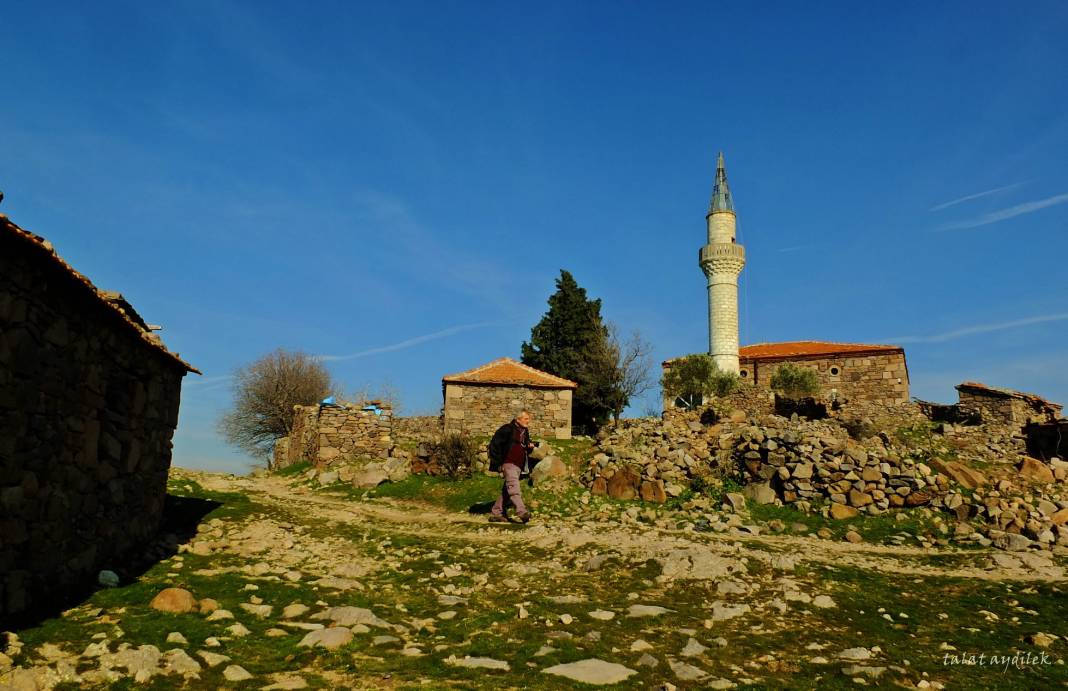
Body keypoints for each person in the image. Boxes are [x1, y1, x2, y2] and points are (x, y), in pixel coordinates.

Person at [488, 410, 536, 523]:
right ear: (518, 419)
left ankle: (496, 513)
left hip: (519, 466)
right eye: (526, 418)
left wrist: (530, 446)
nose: (528, 421)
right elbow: (494, 444)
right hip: (509, 463)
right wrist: (498, 463)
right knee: (514, 488)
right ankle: (522, 512)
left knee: (507, 490)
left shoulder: (524, 431)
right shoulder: (507, 429)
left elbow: (523, 446)